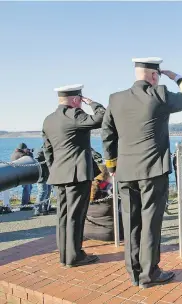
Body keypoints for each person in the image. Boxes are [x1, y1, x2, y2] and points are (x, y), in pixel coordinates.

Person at [101, 57, 182, 288]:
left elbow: (107, 134)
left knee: (131, 222)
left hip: (125, 171)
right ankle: (149, 273)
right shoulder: (160, 94)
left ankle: (134, 272)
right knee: (150, 223)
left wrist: (112, 166)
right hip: (153, 171)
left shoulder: (115, 99)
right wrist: (176, 77)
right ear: (154, 76)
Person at [42, 84, 105, 267]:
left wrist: (55, 169)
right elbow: (101, 117)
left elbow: (48, 151)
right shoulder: (74, 114)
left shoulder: (49, 120)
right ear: (76, 100)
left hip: (59, 174)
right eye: (82, 100)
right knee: (76, 216)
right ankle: (75, 256)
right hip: (77, 175)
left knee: (63, 215)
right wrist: (94, 104)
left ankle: (65, 255)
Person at [85, 164, 124, 242]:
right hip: (109, 234)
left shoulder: (85, 190)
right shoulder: (113, 190)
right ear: (108, 176)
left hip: (86, 232)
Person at [10, 143, 34, 209]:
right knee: (26, 189)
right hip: (23, 175)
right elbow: (30, 160)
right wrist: (29, 153)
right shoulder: (22, 155)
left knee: (29, 187)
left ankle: (27, 202)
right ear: (23, 149)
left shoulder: (14, 154)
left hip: (18, 174)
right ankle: (24, 205)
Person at [34, 145, 52, 216]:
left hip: (47, 176)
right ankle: (37, 209)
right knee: (42, 192)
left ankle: (45, 208)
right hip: (42, 177)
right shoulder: (39, 156)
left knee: (47, 192)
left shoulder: (43, 154)